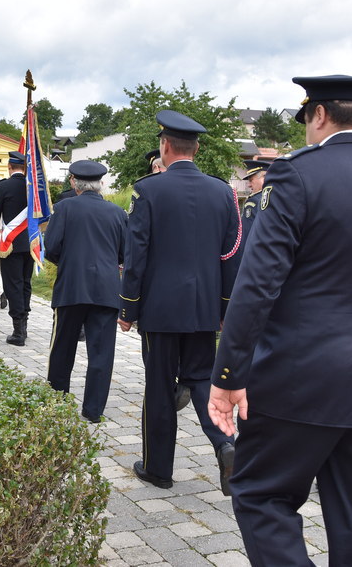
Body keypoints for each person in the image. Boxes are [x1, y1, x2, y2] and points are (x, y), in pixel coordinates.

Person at [207, 75, 352, 566]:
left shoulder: (297, 175)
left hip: (302, 375)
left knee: (261, 494)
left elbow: (258, 285)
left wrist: (229, 375)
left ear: (319, 114)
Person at [119, 110, 242, 494]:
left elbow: (136, 257)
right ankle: (225, 443)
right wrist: (224, 309)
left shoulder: (147, 191)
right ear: (197, 148)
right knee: (202, 379)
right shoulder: (223, 192)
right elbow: (231, 256)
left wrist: (128, 307)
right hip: (204, 309)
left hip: (160, 310)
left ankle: (158, 469)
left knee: (159, 387)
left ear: (165, 146)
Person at [44, 160, 127, 423]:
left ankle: (57, 402)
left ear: (73, 182)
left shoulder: (64, 208)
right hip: (106, 290)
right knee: (101, 353)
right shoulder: (117, 213)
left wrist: (69, 263)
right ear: (100, 183)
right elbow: (125, 253)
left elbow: (51, 247)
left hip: (71, 287)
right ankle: (93, 410)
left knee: (62, 348)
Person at [0, 151, 33, 345]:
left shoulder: (3, 186)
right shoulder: (33, 187)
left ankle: (18, 332)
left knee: (13, 286)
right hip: (30, 243)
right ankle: (24, 325)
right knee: (26, 284)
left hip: (10, 245)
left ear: (9, 167)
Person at [239, 159, 271, 244]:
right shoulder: (276, 198)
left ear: (264, 178)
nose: (249, 185)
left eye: (251, 180)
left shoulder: (253, 202)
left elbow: (247, 234)